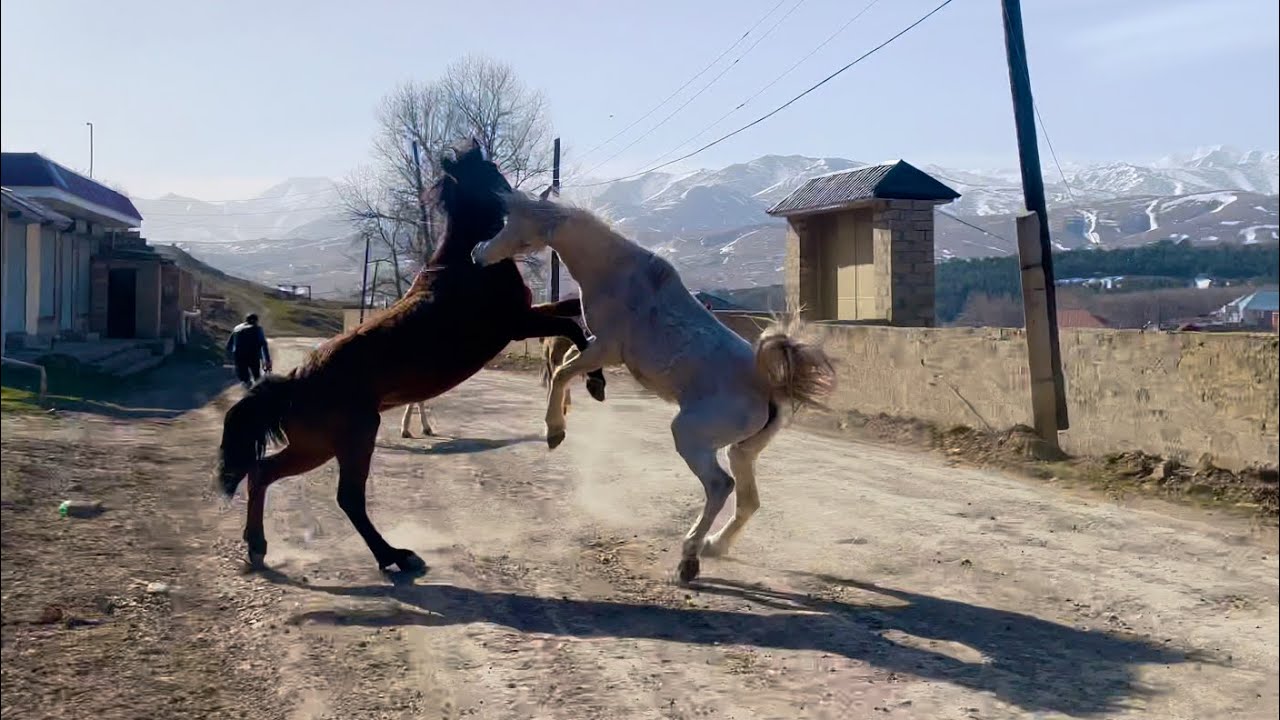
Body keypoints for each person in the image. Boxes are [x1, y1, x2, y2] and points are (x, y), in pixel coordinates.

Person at [226, 313, 272, 388]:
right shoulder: (257, 329)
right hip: (253, 356)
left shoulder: (236, 328)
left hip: (239, 356)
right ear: (256, 321)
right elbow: (263, 345)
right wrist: (267, 360)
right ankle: (258, 392)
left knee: (245, 379)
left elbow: (229, 345)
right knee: (257, 377)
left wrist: (229, 358)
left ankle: (247, 390)